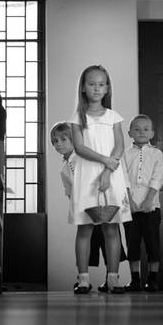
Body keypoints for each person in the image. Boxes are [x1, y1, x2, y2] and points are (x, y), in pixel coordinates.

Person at [68, 65, 132, 294]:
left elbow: (120, 145)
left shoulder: (113, 116)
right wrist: (105, 161)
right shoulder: (77, 117)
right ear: (83, 88)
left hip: (111, 175)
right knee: (85, 228)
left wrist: (107, 171)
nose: (96, 88)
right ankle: (83, 278)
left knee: (112, 228)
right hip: (87, 176)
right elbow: (79, 147)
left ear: (107, 88)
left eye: (101, 84)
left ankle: (113, 278)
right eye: (91, 83)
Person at [51, 121, 127, 293]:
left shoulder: (83, 156)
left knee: (110, 233)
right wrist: (75, 203)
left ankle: (113, 278)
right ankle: (83, 279)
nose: (59, 144)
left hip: (100, 199)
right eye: (55, 141)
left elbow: (98, 173)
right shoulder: (64, 168)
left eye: (64, 139)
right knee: (84, 234)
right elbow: (69, 191)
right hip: (82, 204)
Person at [122, 114, 163, 292]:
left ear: (152, 133)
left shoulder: (156, 153)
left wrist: (149, 200)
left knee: (152, 243)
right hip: (129, 207)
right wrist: (130, 201)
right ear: (129, 132)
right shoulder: (124, 154)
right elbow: (122, 178)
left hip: (151, 207)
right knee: (132, 244)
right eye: (137, 129)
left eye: (146, 129)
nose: (141, 132)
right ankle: (135, 280)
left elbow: (158, 177)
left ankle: (152, 279)